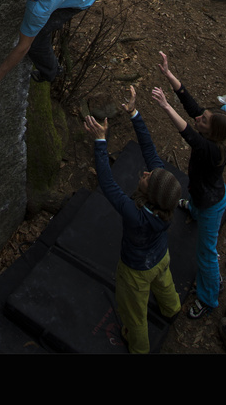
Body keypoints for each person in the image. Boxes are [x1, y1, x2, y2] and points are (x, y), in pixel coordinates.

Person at [84, 86, 182, 354]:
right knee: (164, 282)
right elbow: (148, 147)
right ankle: (172, 308)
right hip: (160, 256)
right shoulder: (162, 206)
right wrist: (134, 113)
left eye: (148, 178)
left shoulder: (136, 216)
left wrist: (100, 141)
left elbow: (107, 183)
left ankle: (138, 347)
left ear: (150, 195)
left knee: (134, 312)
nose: (145, 172)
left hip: (136, 271)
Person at [151, 50, 226, 319]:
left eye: (204, 121)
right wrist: (168, 73)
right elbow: (191, 105)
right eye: (204, 116)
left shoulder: (209, 149)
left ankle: (209, 299)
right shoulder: (209, 132)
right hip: (202, 194)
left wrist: (165, 106)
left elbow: (187, 132)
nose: (200, 118)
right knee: (194, 197)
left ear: (211, 132)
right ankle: (193, 209)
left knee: (206, 253)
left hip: (211, 204)